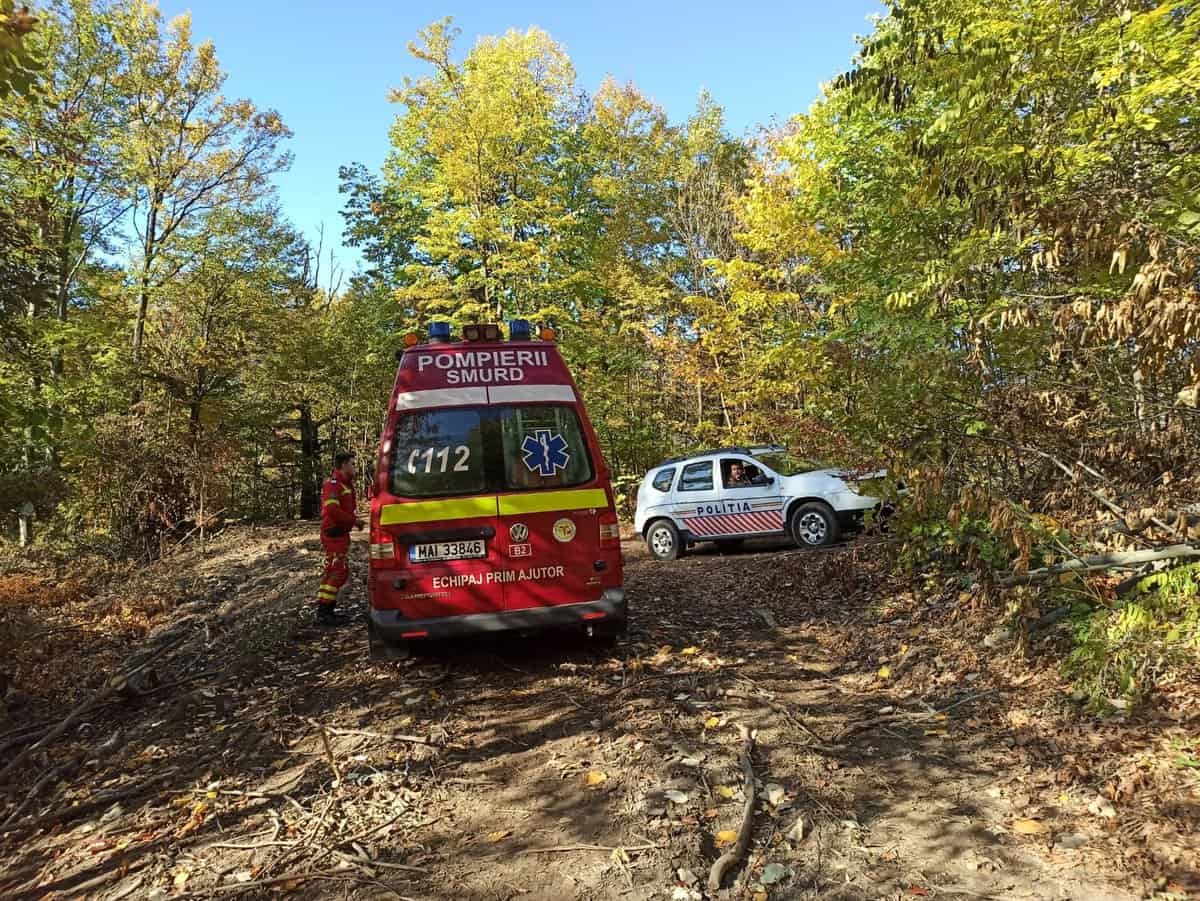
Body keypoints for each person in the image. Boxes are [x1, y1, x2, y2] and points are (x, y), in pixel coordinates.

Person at [316, 452, 363, 626]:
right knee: (338, 571)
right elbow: (332, 510)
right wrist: (354, 521)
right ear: (343, 465)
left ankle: (325, 610)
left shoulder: (346, 485)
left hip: (340, 533)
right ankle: (325, 613)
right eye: (352, 464)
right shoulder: (333, 485)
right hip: (333, 533)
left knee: (334, 571)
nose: (354, 467)